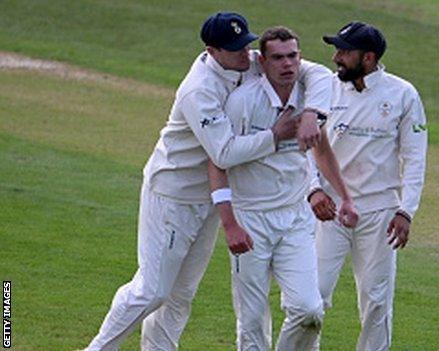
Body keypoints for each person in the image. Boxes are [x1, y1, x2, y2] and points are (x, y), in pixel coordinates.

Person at [85, 12, 333, 351]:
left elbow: (317, 72)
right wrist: (276, 136)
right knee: (153, 290)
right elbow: (225, 153)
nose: (247, 55)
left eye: (247, 45)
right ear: (212, 51)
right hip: (174, 193)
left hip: (211, 198)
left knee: (181, 294)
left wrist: (310, 113)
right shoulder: (199, 89)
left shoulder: (248, 63)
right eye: (235, 50)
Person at [206, 26, 359, 351]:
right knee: (251, 324)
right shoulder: (243, 102)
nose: (287, 64)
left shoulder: (310, 98)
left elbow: (322, 148)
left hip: (295, 220)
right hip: (250, 220)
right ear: (262, 61)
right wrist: (229, 223)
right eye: (277, 58)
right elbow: (217, 162)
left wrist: (344, 196)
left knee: (310, 311)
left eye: (292, 56)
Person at [309, 22, 428, 350]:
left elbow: (415, 158)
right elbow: (307, 145)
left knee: (376, 302)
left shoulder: (403, 94)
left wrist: (406, 210)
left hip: (380, 213)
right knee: (311, 298)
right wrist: (313, 189)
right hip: (328, 209)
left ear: (369, 58)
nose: (336, 57)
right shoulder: (327, 89)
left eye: (345, 52)